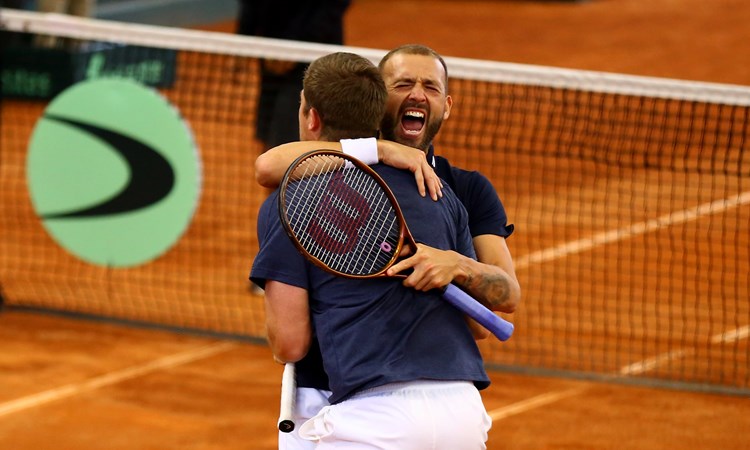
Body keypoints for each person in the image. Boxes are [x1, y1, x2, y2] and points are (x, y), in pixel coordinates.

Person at [254, 44, 521, 449]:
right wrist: (379, 149)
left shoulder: (293, 197)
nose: (417, 94)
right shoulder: (442, 196)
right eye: (403, 84)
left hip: (364, 414)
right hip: (459, 410)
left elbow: (289, 341)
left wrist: (457, 266)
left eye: (430, 86)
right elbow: (269, 165)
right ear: (379, 101)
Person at [236, 0, 351, 150]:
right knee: (268, 132)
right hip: (271, 55)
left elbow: (335, 5)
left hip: (316, 57)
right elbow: (251, 5)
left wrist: (297, 48)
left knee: (298, 135)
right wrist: (241, 43)